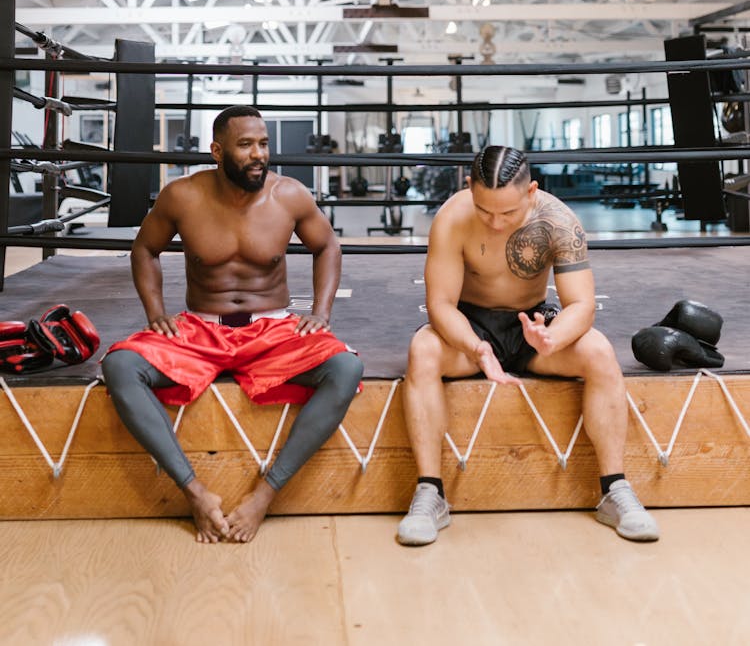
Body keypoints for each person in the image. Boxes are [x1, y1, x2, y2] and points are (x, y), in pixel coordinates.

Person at [102, 105, 363, 544]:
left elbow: (328, 247)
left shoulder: (290, 195)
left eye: (263, 144)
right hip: (200, 329)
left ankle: (265, 495)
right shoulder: (182, 196)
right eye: (245, 145)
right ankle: (195, 493)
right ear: (217, 151)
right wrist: (155, 314)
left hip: (271, 329)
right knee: (121, 366)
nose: (259, 154)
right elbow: (145, 249)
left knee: (346, 368)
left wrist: (321, 311)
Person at [397, 145, 659, 546]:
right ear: (469, 188)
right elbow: (440, 305)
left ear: (532, 192)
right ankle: (430, 493)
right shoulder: (452, 217)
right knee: (423, 350)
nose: (497, 222)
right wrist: (477, 347)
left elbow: (582, 305)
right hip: (471, 325)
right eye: (486, 211)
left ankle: (615, 489)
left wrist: (552, 337)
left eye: (509, 212)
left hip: (531, 325)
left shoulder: (559, 221)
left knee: (600, 351)